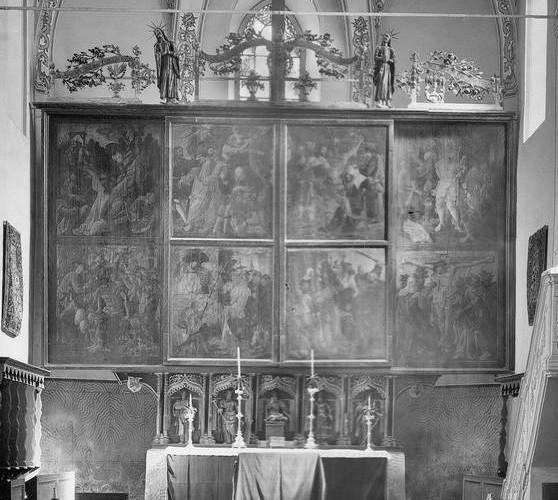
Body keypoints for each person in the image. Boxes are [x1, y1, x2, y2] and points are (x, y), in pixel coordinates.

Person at [153, 27, 180, 103]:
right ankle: (166, 97)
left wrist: (169, 53)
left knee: (171, 79)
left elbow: (176, 54)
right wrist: (161, 53)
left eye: (158, 31)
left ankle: (172, 98)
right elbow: (157, 56)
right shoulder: (157, 45)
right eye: (156, 33)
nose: (158, 33)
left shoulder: (170, 43)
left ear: (162, 32)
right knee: (165, 78)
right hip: (164, 64)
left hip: (171, 63)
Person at [373, 33, 396, 108]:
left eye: (387, 37)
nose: (385, 38)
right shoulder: (379, 48)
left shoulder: (391, 49)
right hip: (381, 67)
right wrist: (382, 58)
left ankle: (387, 101)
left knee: (388, 84)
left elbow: (394, 60)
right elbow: (375, 57)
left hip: (387, 68)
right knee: (381, 83)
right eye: (384, 37)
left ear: (389, 40)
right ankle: (380, 100)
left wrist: (389, 60)